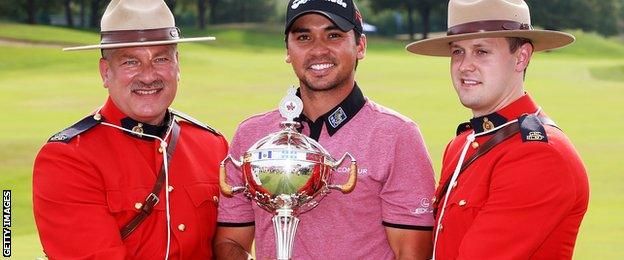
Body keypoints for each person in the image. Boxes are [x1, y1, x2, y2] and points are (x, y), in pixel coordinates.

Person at [214, 0, 436, 259]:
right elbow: (230, 242)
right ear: (288, 49)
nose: (319, 50)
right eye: (304, 37)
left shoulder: (396, 135)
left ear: (360, 46)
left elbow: (411, 253)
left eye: (333, 35)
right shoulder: (252, 135)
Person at [32, 0, 226, 258]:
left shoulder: (212, 146)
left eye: (161, 58)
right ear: (105, 72)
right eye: (130, 62)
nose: (148, 76)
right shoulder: (68, 158)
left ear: (177, 65)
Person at [406, 0, 590, 259]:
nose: (464, 65)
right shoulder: (463, 143)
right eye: (458, 51)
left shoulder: (540, 156)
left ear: (522, 57)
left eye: (481, 51)